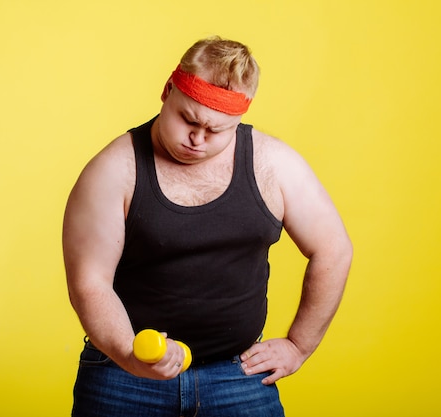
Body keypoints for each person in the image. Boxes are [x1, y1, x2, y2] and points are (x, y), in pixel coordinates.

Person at [62, 36, 353, 417]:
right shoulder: (114, 169)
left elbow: (333, 249)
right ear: (168, 90)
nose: (197, 139)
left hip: (237, 375)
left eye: (217, 131)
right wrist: (129, 354)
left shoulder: (274, 165)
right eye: (188, 120)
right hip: (123, 374)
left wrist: (299, 345)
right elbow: (90, 281)